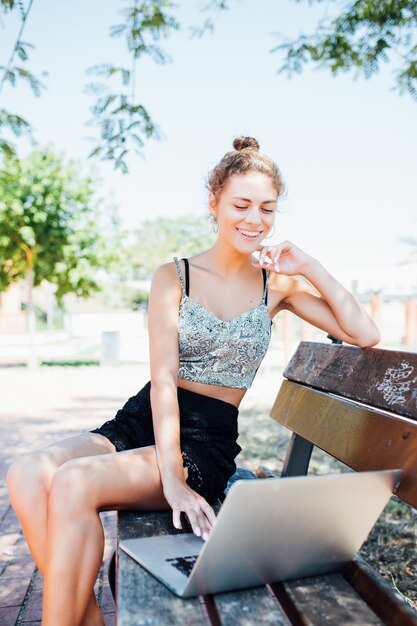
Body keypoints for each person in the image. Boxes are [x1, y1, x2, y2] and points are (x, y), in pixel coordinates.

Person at [6, 135, 380, 626]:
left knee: (74, 481)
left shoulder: (277, 285)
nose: (254, 219)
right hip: (147, 417)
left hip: (205, 440)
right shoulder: (173, 276)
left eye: (267, 209)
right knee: (27, 474)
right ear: (214, 203)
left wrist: (308, 266)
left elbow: (364, 332)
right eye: (241, 204)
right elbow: (162, 381)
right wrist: (170, 480)